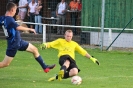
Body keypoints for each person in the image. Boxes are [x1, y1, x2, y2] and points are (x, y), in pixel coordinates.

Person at [0, 2, 55, 73]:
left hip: (19, 41)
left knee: (35, 50)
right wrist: (30, 29)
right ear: (12, 10)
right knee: (5, 64)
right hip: (13, 44)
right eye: (16, 10)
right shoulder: (9, 19)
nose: (16, 12)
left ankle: (45, 67)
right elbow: (18, 27)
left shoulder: (2, 18)